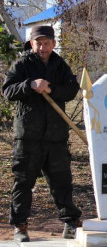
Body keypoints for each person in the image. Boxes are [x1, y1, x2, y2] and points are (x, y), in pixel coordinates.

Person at [2, 25, 82, 242]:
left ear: (54, 44)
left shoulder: (59, 65)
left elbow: (72, 90)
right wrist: (30, 84)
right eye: (39, 43)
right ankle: (20, 226)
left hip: (56, 137)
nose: (43, 47)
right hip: (29, 137)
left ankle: (70, 222)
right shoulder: (22, 64)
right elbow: (7, 91)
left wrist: (52, 89)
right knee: (23, 182)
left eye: (47, 43)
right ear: (32, 43)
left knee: (62, 182)